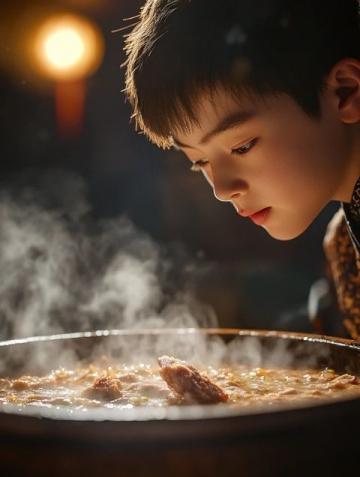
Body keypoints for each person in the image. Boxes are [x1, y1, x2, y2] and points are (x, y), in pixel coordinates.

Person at [123, 0, 360, 339]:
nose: (221, 189)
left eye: (241, 146)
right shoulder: (343, 244)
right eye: (199, 162)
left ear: (345, 92)